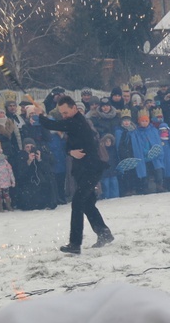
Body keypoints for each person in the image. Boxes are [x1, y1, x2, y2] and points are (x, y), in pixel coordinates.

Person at [37, 96, 113, 254]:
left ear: (74, 108)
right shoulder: (72, 123)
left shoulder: (77, 122)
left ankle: (75, 243)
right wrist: (71, 151)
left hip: (91, 169)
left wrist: (40, 115)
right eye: (61, 113)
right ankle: (104, 233)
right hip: (82, 169)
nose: (64, 115)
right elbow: (67, 146)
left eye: (65, 112)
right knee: (86, 203)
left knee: (78, 203)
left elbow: (52, 124)